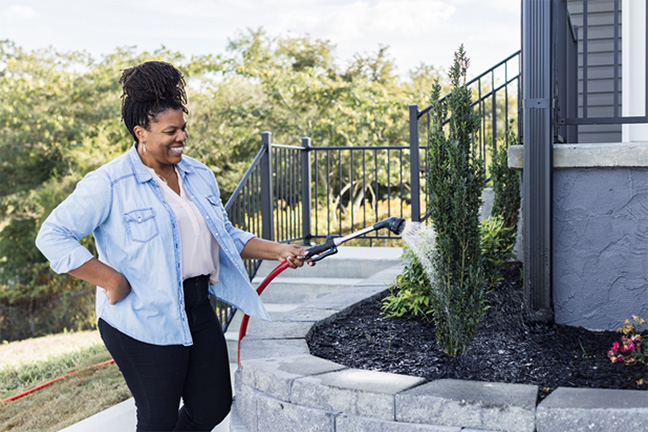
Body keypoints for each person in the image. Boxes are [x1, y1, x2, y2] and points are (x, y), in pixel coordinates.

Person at [35, 61, 309, 431]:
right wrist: (111, 280)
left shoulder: (198, 175)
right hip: (142, 316)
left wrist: (278, 250)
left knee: (212, 406)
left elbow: (223, 234)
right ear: (141, 133)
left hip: (197, 306)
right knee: (157, 419)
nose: (181, 137)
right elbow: (52, 236)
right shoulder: (110, 183)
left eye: (183, 129)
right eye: (170, 131)